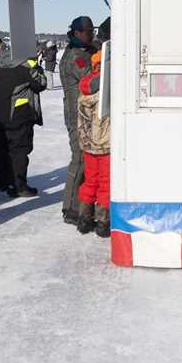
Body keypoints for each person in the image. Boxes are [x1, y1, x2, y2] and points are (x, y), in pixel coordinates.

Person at [0, 53, 46, 198]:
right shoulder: (25, 68)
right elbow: (40, 84)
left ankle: (1, 181)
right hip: (17, 115)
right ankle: (18, 185)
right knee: (19, 150)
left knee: (1, 149)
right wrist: (34, 66)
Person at [76, 18, 112, 238]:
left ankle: (84, 218)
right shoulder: (107, 84)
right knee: (106, 182)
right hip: (105, 143)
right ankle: (102, 221)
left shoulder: (86, 82)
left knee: (90, 180)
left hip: (88, 143)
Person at [59, 16, 97, 226]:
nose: (91, 34)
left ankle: (83, 204)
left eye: (92, 31)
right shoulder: (75, 57)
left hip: (88, 115)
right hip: (77, 116)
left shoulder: (86, 51)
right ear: (77, 33)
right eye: (88, 31)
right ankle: (70, 207)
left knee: (89, 161)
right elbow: (91, 81)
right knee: (80, 159)